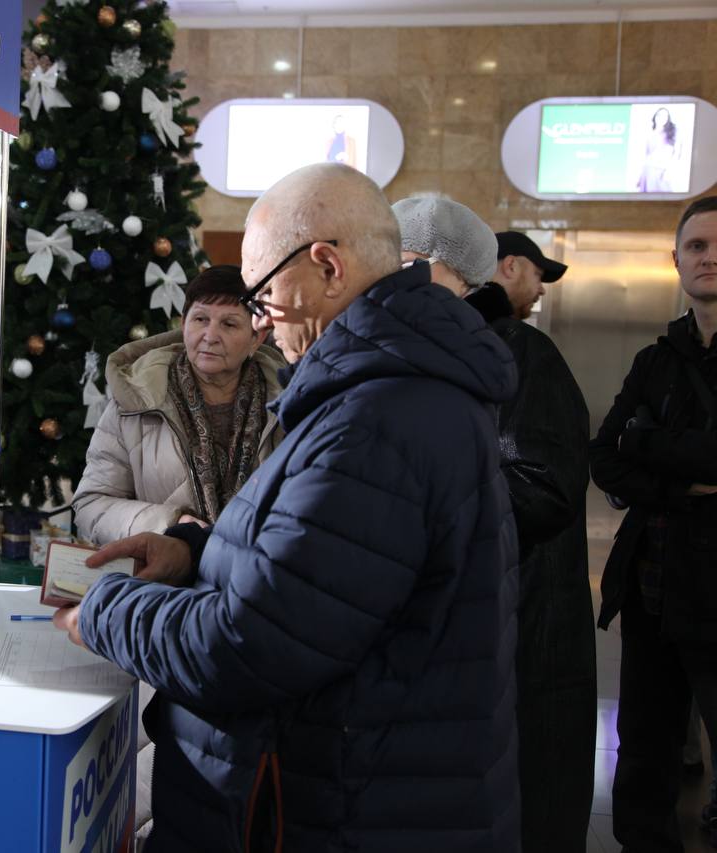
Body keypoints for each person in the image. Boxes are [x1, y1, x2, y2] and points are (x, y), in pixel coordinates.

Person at [54, 162, 521, 852]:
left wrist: (103, 609)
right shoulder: (390, 391)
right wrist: (194, 553)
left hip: (342, 811)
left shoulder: (377, 421)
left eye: (264, 295)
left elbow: (241, 645)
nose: (264, 325)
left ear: (326, 265)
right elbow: (315, 578)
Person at [398, 198, 596, 851]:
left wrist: (410, 521)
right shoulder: (415, 354)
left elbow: (543, 488)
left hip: (518, 640)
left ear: (451, 272)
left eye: (403, 265)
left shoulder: (515, 352)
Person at [590, 195, 717, 852]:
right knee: (642, 761)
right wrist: (684, 476)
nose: (709, 257)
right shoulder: (655, 359)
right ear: (676, 259)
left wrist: (652, 444)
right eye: (696, 246)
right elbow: (604, 455)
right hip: (652, 591)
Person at [72, 265, 285, 544]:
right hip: (162, 578)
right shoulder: (135, 401)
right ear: (183, 324)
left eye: (229, 324)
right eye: (200, 319)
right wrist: (170, 524)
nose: (210, 335)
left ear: (256, 337)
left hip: (258, 575)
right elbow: (91, 506)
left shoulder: (289, 402)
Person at [637, 107, 680, 193]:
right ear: (655, 116)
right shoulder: (649, 133)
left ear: (667, 119)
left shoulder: (672, 133)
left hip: (662, 171)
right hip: (648, 171)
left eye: (665, 116)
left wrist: (669, 170)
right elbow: (645, 155)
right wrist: (640, 176)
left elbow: (677, 153)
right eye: (659, 115)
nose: (661, 118)